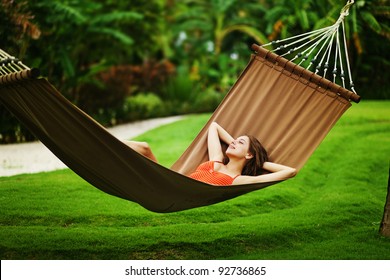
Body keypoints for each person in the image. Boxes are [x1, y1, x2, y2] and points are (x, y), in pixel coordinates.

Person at [123, 122, 296, 185]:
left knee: (144, 147)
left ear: (249, 155)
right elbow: (214, 126)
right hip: (168, 182)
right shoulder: (216, 160)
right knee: (144, 147)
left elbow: (290, 171)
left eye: (240, 142)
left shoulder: (237, 180)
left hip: (173, 190)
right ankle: (98, 138)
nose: (234, 141)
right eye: (234, 140)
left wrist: (259, 162)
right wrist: (234, 143)